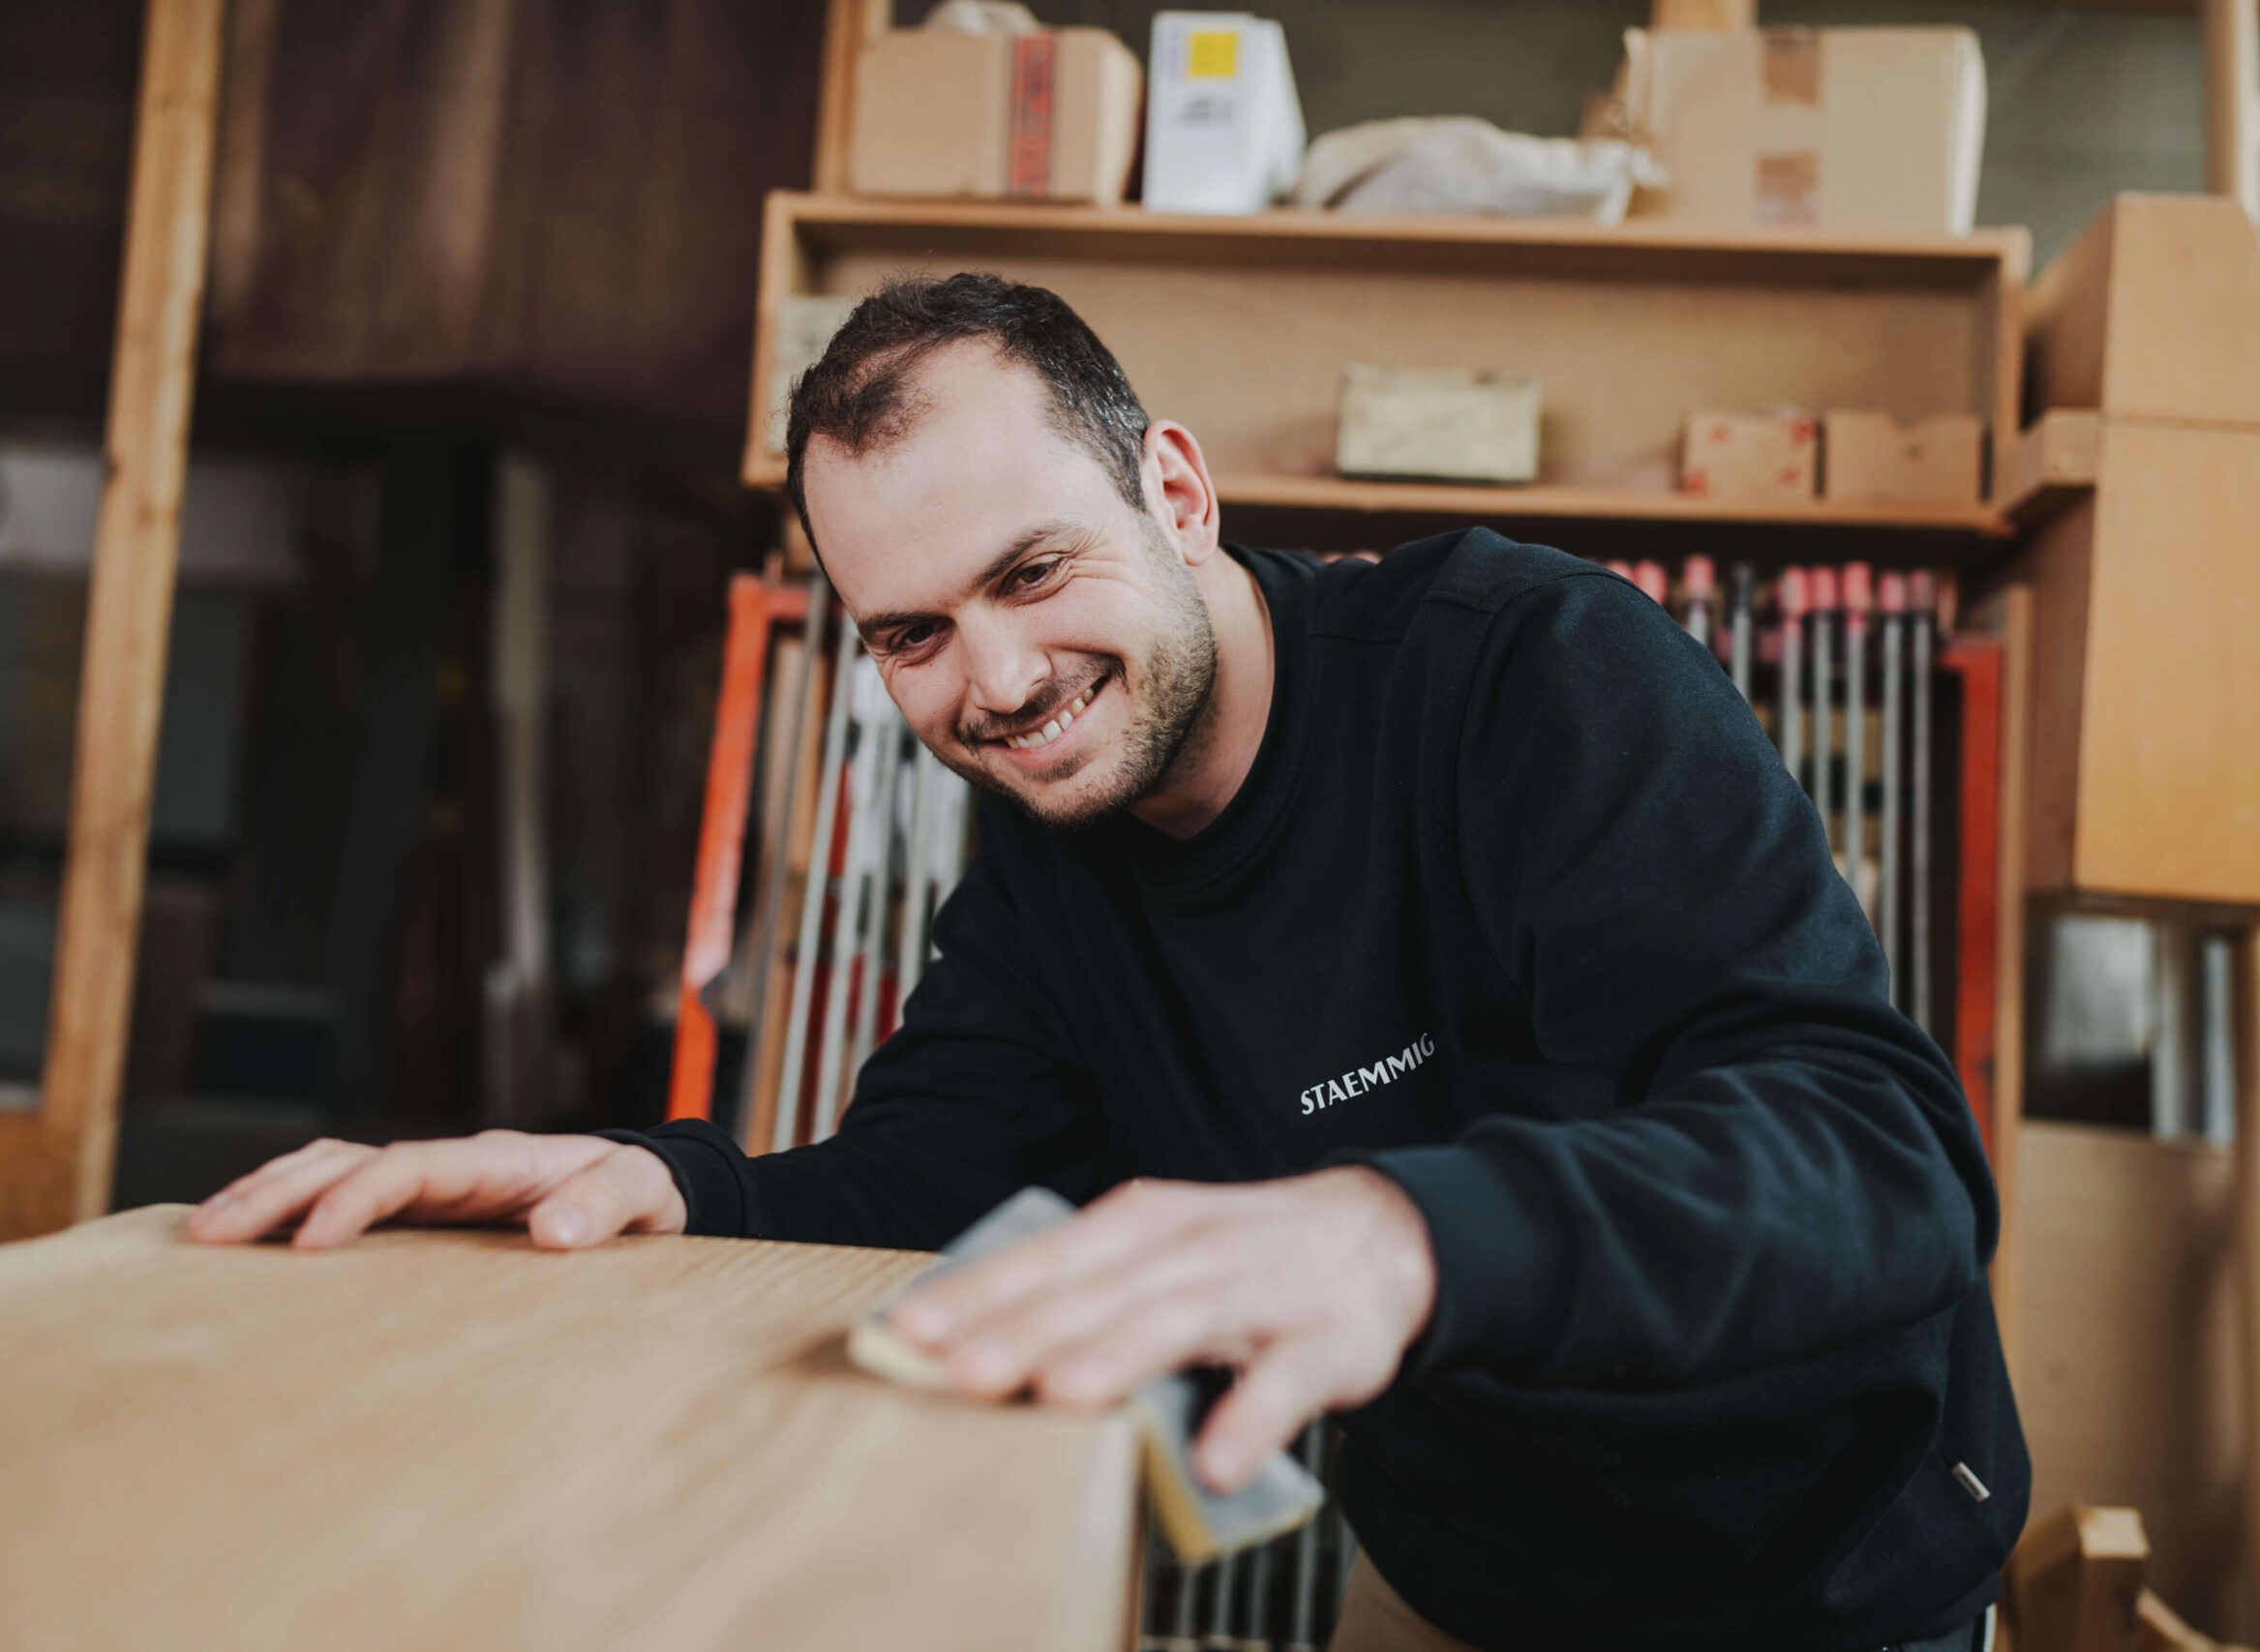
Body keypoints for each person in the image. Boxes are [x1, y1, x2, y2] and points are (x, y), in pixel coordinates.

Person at [194, 273, 2027, 1651]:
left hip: (1825, 1576)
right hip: (1477, 1591)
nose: (990, 684)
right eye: (910, 635)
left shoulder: (1526, 673)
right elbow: (928, 1180)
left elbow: (1882, 1160)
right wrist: (664, 1183)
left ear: (1174, 486)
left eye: (1032, 572)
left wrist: (1400, 1232)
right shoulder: (1050, 853)